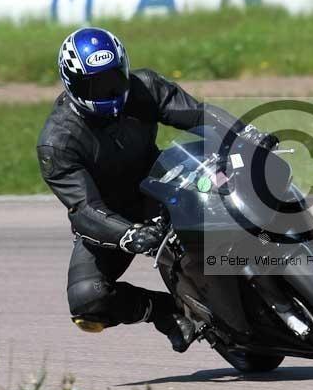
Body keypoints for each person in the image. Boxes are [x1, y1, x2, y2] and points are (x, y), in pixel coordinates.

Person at [36, 27, 278, 352]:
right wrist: (127, 234)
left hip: (162, 180)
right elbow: (83, 208)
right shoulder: (58, 142)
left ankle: (286, 239)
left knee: (237, 176)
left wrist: (245, 133)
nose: (107, 92)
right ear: (71, 84)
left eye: (113, 80)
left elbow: (198, 115)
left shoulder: (144, 86)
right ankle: (169, 312)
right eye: (94, 85)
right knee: (87, 300)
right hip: (111, 217)